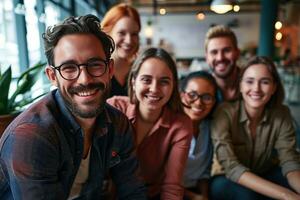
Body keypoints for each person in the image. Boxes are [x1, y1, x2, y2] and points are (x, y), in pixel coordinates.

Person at [0, 14, 146, 199]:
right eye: (69, 68)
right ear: (53, 76)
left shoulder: (117, 124)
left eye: (94, 65)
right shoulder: (32, 135)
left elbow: (133, 191)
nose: (85, 79)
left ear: (109, 69)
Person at [107, 47, 193, 199]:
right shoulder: (114, 108)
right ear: (133, 81)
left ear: (173, 86)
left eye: (164, 81)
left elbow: (172, 186)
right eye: (146, 79)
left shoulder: (181, 125)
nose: (154, 89)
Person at [210, 56, 300, 200]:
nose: (256, 89)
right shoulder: (224, 112)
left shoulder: (281, 114)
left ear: (274, 87)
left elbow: (289, 160)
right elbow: (231, 167)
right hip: (226, 177)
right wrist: (287, 195)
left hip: (264, 172)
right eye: (249, 81)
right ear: (240, 85)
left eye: (264, 82)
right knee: (248, 197)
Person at [180, 71, 218, 200]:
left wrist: (203, 196)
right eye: (192, 95)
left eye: (207, 97)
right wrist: (195, 197)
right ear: (181, 96)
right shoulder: (169, 126)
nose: (198, 103)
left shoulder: (210, 128)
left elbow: (204, 173)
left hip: (196, 190)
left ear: (214, 101)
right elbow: (159, 178)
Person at [101, 3, 141, 97]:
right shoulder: (97, 71)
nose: (129, 41)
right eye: (122, 33)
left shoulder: (139, 70)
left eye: (134, 34)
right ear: (107, 33)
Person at [204, 25, 240, 101]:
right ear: (207, 57)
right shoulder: (202, 89)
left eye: (227, 50)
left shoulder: (252, 86)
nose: (220, 58)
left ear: (237, 53)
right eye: (214, 52)